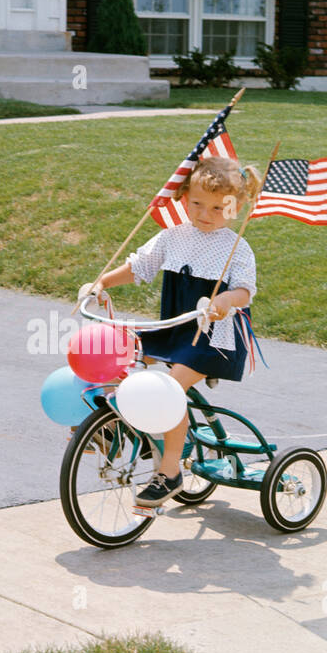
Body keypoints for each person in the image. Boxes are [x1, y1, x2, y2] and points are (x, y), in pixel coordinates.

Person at [85, 156, 262, 510]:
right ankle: (110, 428)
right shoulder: (173, 237)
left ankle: (170, 472)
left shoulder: (236, 248)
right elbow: (139, 266)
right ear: (184, 197)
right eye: (197, 203)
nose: (205, 213)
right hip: (174, 330)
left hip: (214, 340)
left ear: (237, 207)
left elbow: (244, 290)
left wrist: (225, 300)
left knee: (167, 389)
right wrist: (103, 281)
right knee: (117, 357)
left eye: (218, 207)